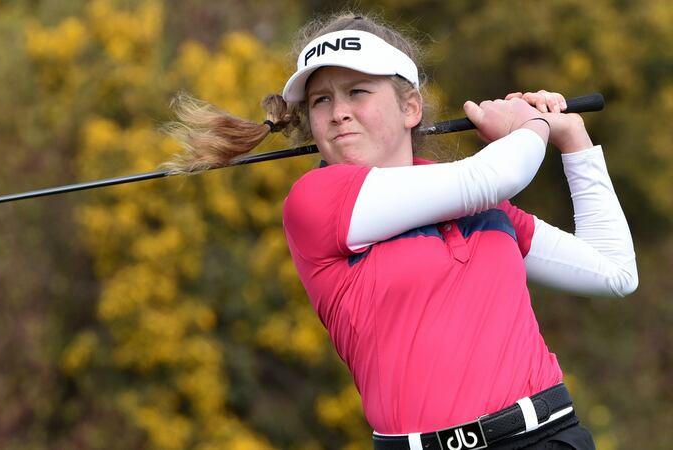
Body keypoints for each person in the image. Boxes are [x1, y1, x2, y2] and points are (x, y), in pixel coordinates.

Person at [164, 12, 638, 450]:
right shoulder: (317, 200)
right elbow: (492, 175)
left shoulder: (483, 209)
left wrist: (573, 139)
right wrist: (531, 124)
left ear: (410, 107)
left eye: (357, 92)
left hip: (551, 436)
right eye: (321, 100)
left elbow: (615, 272)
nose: (338, 112)